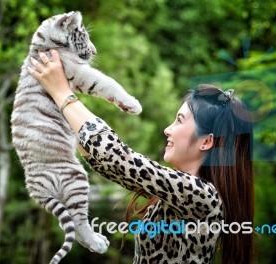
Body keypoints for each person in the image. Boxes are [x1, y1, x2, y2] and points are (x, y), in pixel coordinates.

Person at [27, 50, 254, 264]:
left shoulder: (203, 197)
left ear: (206, 141)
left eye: (180, 120)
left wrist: (62, 93)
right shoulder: (178, 193)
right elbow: (109, 164)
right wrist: (59, 99)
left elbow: (116, 157)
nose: (168, 129)